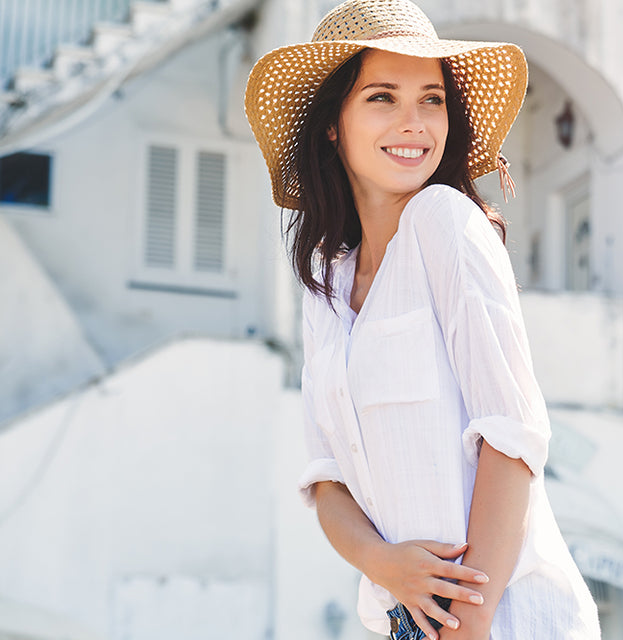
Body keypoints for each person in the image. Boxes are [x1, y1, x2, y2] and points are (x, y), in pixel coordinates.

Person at [244, 1, 601, 638]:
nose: (414, 123)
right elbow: (327, 479)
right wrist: (386, 564)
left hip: (506, 618)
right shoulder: (324, 279)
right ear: (333, 123)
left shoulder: (445, 220)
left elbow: (510, 437)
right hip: (399, 621)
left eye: (431, 99)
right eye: (382, 97)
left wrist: (470, 621)